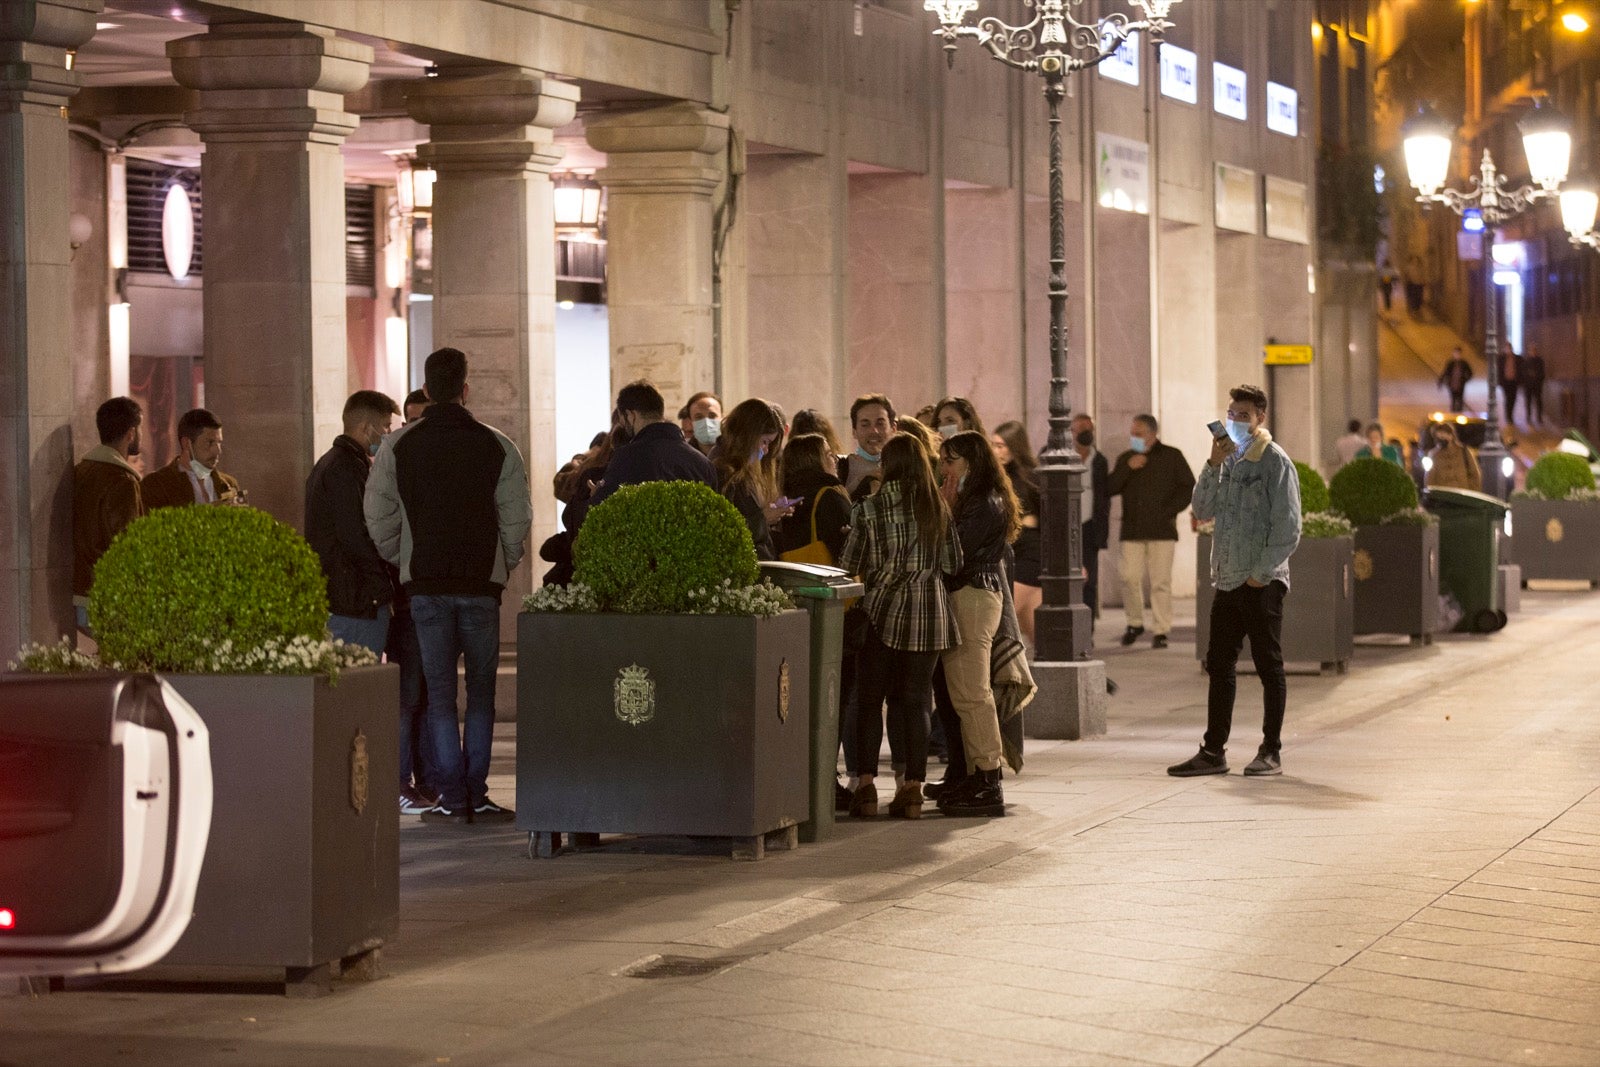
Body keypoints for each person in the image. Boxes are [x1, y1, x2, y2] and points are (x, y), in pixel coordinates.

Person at [365, 347, 532, 825]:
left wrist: (404, 561)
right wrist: (503, 561)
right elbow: (516, 517)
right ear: (466, 387)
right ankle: (477, 793)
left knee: (440, 697)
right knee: (480, 694)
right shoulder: (496, 444)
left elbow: (377, 515)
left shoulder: (400, 446)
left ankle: (451, 798)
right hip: (480, 585)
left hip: (426, 589)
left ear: (427, 386)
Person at [1171, 384, 1301, 778]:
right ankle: (1213, 751)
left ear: (1261, 417)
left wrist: (1260, 576)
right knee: (1220, 664)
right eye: (1231, 413)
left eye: (1243, 414)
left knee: (1268, 666)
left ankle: (1271, 751)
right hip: (1227, 580)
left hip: (1262, 581)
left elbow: (1289, 527)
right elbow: (1201, 509)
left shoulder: (1275, 462)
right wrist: (1211, 464)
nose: (1235, 421)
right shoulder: (1225, 462)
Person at [839, 433, 962, 821]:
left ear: (886, 466)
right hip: (929, 612)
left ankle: (867, 786)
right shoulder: (937, 509)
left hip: (882, 611)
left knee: (870, 700)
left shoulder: (868, 508)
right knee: (914, 699)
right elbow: (953, 563)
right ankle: (911, 790)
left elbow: (849, 565)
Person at [930, 430, 1018, 817]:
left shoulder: (983, 502)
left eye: (951, 460)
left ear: (972, 462)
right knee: (963, 692)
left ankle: (987, 779)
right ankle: (972, 775)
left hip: (973, 596)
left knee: (971, 692)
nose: (944, 467)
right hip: (968, 595)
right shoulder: (979, 498)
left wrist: (946, 509)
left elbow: (954, 555)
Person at [306, 390, 402, 655]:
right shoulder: (345, 469)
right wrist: (382, 589)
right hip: (355, 602)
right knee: (358, 684)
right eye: (385, 426)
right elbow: (355, 535)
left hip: (344, 598)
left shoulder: (331, 464)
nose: (387, 434)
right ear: (365, 427)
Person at [1107, 414, 1195, 650]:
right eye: (1132, 434)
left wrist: (1169, 511)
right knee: (1129, 577)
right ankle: (1134, 623)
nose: (1134, 438)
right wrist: (1128, 467)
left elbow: (1188, 486)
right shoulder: (1126, 458)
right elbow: (1110, 487)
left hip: (1162, 530)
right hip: (1132, 530)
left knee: (1160, 582)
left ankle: (1161, 629)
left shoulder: (1171, 456)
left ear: (1153, 434)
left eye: (1139, 434)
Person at [73, 397, 146, 633]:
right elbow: (127, 545)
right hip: (108, 595)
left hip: (80, 589)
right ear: (131, 433)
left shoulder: (81, 471)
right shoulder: (122, 480)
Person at [714, 397, 789, 560]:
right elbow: (724, 533)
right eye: (764, 441)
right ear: (748, 436)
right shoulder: (724, 472)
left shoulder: (740, 470)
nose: (766, 450)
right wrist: (764, 518)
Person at [991, 420, 1042, 637]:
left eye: (1001, 446)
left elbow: (1045, 519)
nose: (995, 451)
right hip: (1009, 555)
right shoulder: (995, 477)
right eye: (992, 445)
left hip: (1030, 556)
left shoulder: (1031, 477)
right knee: (1033, 630)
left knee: (1001, 618)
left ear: (1014, 447)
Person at [140, 408, 243, 509]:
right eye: (210, 442)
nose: (217, 451)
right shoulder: (156, 485)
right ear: (186, 443)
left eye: (219, 443)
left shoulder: (229, 484)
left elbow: (244, 524)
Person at [775, 433, 852, 564]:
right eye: (829, 455)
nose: (835, 460)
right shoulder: (829, 496)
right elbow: (846, 551)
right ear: (815, 461)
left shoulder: (784, 501)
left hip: (794, 577)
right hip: (829, 579)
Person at [1071, 413, 1111, 623]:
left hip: (1089, 528)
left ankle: (1087, 630)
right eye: (1082, 430)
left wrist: (1102, 533)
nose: (1087, 434)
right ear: (1072, 432)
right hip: (1066, 528)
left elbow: (1104, 498)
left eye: (1089, 430)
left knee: (1089, 582)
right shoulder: (1061, 456)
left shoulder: (1099, 460)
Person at [839, 393, 895, 499]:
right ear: (854, 431)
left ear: (893, 428)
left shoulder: (904, 466)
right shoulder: (841, 469)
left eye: (880, 424)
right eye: (865, 425)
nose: (873, 431)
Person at [1424, 422, 1482, 492]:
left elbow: (1475, 474)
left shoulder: (1464, 451)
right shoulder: (1433, 455)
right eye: (1439, 435)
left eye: (1444, 434)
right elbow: (1430, 478)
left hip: (1463, 495)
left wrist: (1472, 491)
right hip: (1443, 497)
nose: (1442, 437)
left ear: (1451, 435)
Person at [681, 390, 722, 456]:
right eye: (699, 417)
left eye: (712, 415)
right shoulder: (683, 455)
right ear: (691, 422)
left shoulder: (736, 451)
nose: (706, 422)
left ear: (722, 418)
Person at [1438, 348, 1473, 415]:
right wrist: (1440, 382)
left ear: (1460, 354)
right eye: (1455, 353)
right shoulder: (1450, 363)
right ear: (1453, 354)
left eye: (1458, 354)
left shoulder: (1464, 363)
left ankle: (1459, 414)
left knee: (1460, 401)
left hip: (1460, 385)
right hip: (1452, 385)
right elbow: (1445, 372)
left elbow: (1470, 373)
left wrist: (1465, 380)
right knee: (1453, 400)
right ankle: (1453, 414)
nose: (1457, 355)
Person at [1521, 345, 1546, 425]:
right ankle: (1528, 417)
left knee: (1538, 401)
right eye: (1531, 351)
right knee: (1528, 401)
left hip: (1537, 385)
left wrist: (1537, 377)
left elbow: (1542, 373)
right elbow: (1523, 373)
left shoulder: (1540, 361)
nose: (1533, 352)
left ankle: (1539, 417)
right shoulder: (1526, 361)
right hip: (1528, 386)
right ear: (1529, 352)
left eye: (1534, 351)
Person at [1500, 345, 1521, 426]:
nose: (1508, 350)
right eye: (1506, 348)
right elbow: (1499, 370)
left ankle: (1511, 414)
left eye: (1509, 348)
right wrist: (1500, 382)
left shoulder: (1517, 358)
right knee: (1507, 399)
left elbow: (1520, 369)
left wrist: (1519, 381)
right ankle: (1508, 416)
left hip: (1514, 382)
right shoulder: (1502, 358)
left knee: (1513, 399)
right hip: (1506, 382)